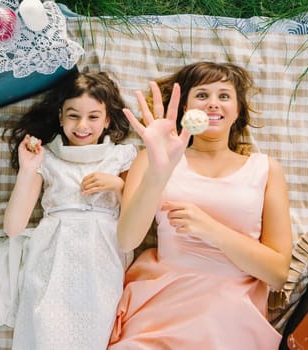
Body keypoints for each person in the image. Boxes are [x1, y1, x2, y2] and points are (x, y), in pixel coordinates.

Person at [108, 62, 293, 349]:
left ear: (238, 109)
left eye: (224, 96)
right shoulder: (152, 157)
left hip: (230, 314)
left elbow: (278, 274)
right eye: (202, 95)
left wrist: (211, 230)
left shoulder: (266, 169)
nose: (212, 104)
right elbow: (127, 239)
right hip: (163, 303)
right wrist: (159, 173)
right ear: (185, 109)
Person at [0, 70, 138, 349]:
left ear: (107, 119)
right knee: (46, 325)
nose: (82, 125)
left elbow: (136, 224)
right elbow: (13, 228)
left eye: (93, 116)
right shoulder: (45, 157)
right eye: (73, 115)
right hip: (53, 250)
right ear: (60, 117)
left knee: (97, 327)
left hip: (103, 252)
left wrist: (118, 188)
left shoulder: (121, 157)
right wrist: (28, 169)